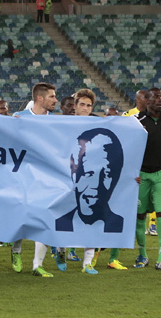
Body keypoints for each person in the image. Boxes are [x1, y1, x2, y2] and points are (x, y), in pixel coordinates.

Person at [56, 89, 119, 274]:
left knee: (93, 217)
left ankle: (87, 263)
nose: (85, 108)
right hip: (66, 175)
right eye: (82, 104)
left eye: (89, 105)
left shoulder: (98, 125)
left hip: (91, 177)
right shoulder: (62, 123)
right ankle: (60, 250)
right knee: (64, 214)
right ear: (74, 106)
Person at [13, 82, 62, 278]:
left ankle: (37, 265)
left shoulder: (56, 121)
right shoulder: (19, 118)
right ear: (40, 98)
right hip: (22, 177)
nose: (55, 100)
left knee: (44, 219)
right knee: (20, 219)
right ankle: (15, 252)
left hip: (45, 179)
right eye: (52, 96)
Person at [133, 88, 161, 270]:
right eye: (155, 97)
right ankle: (142, 255)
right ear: (146, 100)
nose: (160, 99)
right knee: (140, 216)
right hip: (142, 175)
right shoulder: (137, 122)